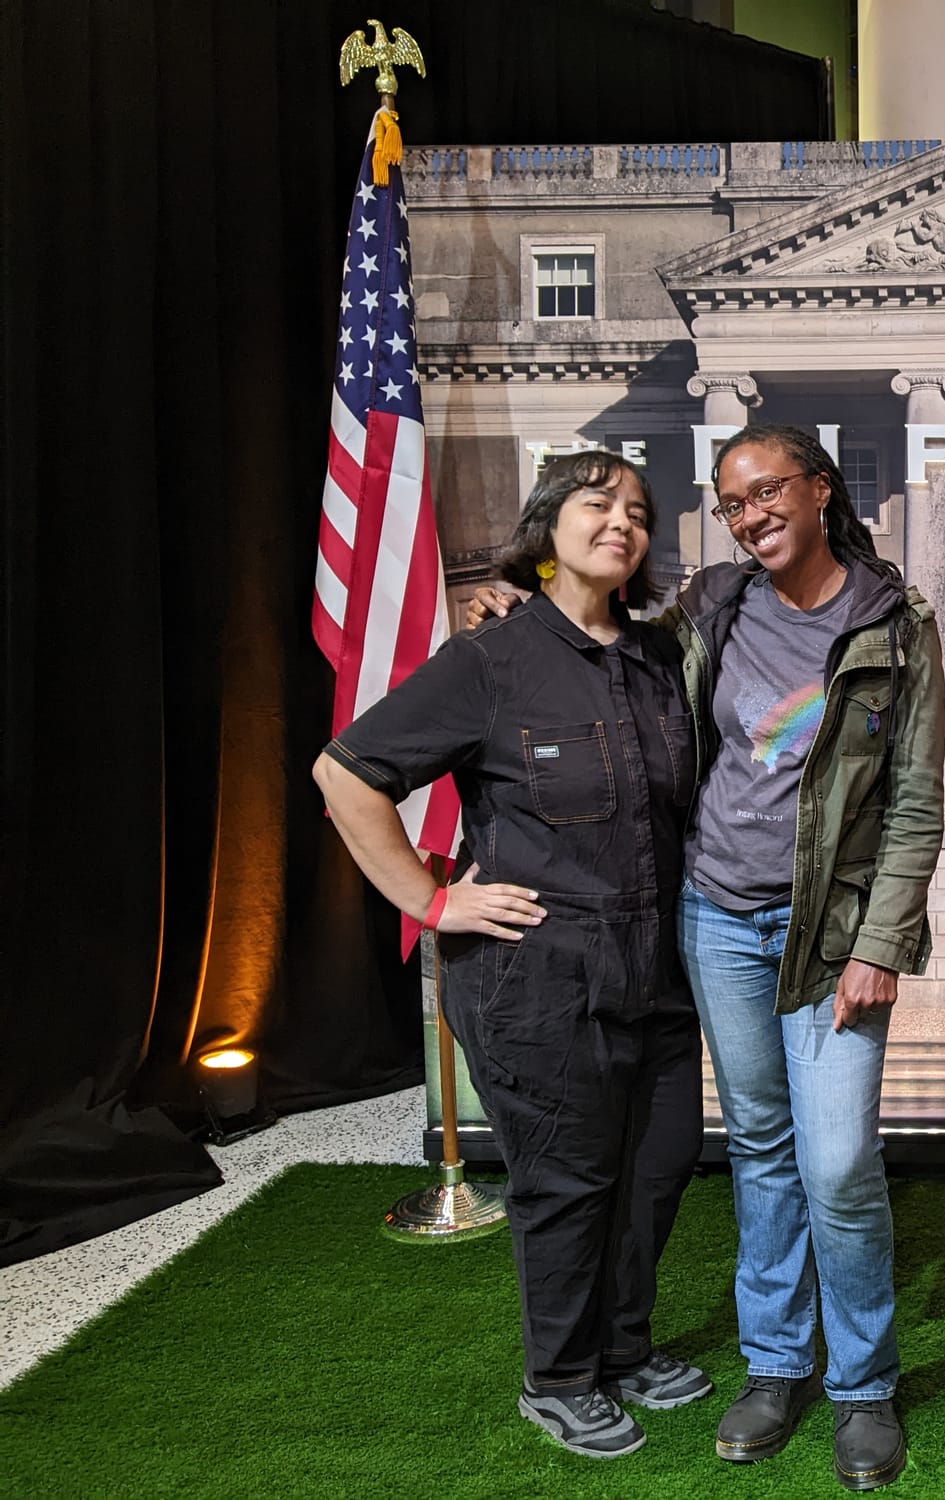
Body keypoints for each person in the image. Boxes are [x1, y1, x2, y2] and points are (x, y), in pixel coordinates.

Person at [471, 424, 945, 1492]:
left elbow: (913, 803)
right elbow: (598, 639)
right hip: (718, 920)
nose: (750, 515)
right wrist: (518, 604)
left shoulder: (895, 626)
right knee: (763, 1154)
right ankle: (777, 1368)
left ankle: (862, 1387)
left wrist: (880, 942)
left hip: (832, 934)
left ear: (819, 490)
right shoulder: (713, 608)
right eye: (732, 503)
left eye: (768, 492)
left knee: (838, 1166)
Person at [316, 450, 712, 1461]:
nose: (619, 522)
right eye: (595, 505)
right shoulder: (490, 660)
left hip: (653, 972)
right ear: (547, 527)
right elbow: (346, 773)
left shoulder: (657, 658)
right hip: (538, 983)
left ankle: (622, 1349)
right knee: (567, 1185)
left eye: (636, 510)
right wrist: (429, 898)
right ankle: (559, 1377)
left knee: (653, 1170)